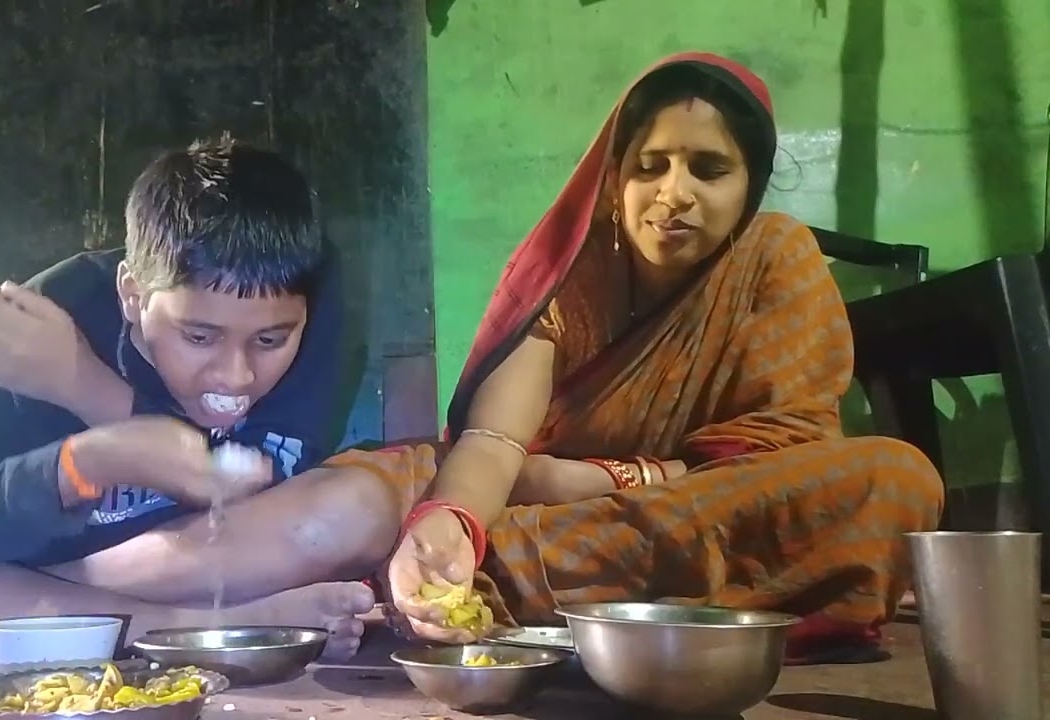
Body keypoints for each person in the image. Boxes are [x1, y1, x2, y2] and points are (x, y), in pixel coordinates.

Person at [326, 52, 944, 664]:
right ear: (617, 179)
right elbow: (492, 441)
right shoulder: (575, 273)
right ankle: (446, 567)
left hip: (667, 514)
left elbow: (779, 455)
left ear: (751, 183)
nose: (674, 194)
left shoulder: (776, 256)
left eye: (710, 169)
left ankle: (470, 582)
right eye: (651, 167)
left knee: (895, 481)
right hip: (535, 503)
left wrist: (614, 478)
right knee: (407, 475)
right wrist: (453, 519)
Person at [0, 137, 397, 675]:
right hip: (27, 564)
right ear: (131, 294)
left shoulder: (318, 310)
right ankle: (193, 630)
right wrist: (80, 465)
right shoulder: (45, 320)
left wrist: (89, 390)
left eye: (269, 340)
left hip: (145, 560)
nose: (235, 374)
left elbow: (244, 486)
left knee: (356, 510)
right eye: (198, 337)